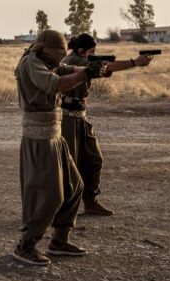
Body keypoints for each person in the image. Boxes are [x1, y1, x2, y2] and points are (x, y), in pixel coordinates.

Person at [11, 30, 106, 266]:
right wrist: (86, 73)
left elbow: (68, 70)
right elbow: (55, 84)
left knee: (75, 186)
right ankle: (26, 245)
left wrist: (93, 69)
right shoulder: (31, 63)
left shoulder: (47, 62)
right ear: (47, 49)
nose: (61, 57)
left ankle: (59, 241)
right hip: (39, 137)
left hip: (55, 134)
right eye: (59, 52)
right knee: (50, 195)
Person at [61, 33, 153, 216]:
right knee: (69, 164)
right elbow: (106, 67)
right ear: (81, 50)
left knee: (94, 159)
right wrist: (134, 62)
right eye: (92, 52)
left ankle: (90, 202)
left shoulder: (81, 60)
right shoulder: (73, 61)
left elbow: (104, 69)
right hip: (67, 119)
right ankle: (64, 207)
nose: (94, 55)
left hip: (80, 116)